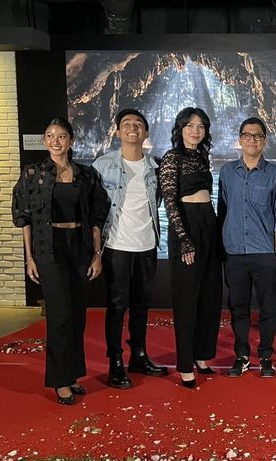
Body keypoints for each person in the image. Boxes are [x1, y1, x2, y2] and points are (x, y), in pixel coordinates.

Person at [12, 117, 109, 404]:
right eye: (50, 136)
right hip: (48, 249)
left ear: (71, 140)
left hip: (80, 247)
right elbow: (24, 218)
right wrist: (29, 258)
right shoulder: (33, 174)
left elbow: (97, 216)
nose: (56, 141)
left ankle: (72, 374)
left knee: (77, 315)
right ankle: (59, 380)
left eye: (62, 136)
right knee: (60, 315)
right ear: (44, 140)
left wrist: (97, 254)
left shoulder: (86, 174)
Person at [92, 108, 167, 389]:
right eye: (126, 124)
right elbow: (95, 212)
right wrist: (95, 250)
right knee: (116, 305)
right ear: (117, 132)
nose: (132, 128)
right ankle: (115, 361)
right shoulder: (103, 165)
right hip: (116, 246)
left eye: (138, 124)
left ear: (146, 132)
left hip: (147, 245)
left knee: (141, 304)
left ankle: (139, 355)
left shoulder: (156, 167)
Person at [218, 117, 276, 378]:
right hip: (235, 252)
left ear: (264, 141)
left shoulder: (275, 174)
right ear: (240, 140)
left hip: (265, 252)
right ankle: (242, 356)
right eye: (247, 135)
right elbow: (223, 210)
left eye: (257, 136)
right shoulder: (227, 172)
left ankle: (266, 357)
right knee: (238, 308)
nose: (252, 140)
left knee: (268, 308)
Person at [159, 107, 222, 389]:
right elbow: (170, 202)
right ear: (180, 128)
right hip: (186, 225)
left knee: (210, 294)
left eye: (201, 126)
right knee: (187, 299)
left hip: (209, 222)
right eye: (190, 126)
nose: (196, 131)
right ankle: (185, 365)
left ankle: (201, 356)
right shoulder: (172, 158)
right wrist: (184, 238)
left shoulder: (202, 157)